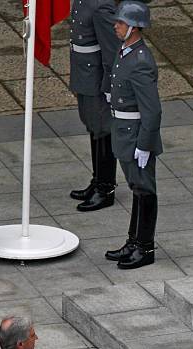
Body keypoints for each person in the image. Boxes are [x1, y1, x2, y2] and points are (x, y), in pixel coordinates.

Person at [104, 0, 162, 270]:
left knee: (145, 190)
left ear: (135, 27)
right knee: (136, 189)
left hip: (136, 135)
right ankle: (133, 241)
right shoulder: (126, 50)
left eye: (121, 23)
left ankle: (145, 247)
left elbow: (152, 110)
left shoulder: (140, 61)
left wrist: (145, 144)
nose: (116, 25)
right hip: (124, 131)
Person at [69, 0, 121, 212]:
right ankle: (97, 179)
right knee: (93, 126)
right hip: (84, 72)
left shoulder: (101, 6)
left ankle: (105, 188)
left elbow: (111, 51)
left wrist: (109, 87)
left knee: (103, 130)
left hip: (96, 77)